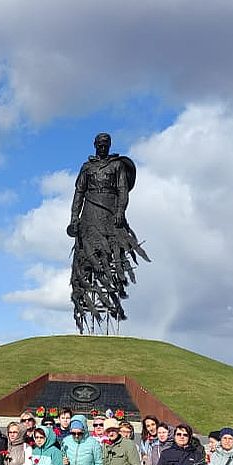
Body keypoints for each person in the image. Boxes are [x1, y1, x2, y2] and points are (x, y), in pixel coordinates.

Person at [67, 131, 147, 333]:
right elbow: (79, 193)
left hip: (110, 212)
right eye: (100, 144)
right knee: (88, 257)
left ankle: (112, 298)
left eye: (106, 144)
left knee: (112, 257)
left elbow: (123, 190)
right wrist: (74, 218)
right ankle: (87, 308)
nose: (103, 147)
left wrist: (121, 211)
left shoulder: (117, 165)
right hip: (90, 214)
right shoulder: (87, 168)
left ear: (109, 145)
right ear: (95, 145)